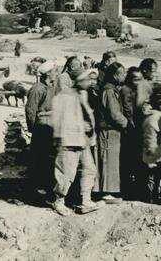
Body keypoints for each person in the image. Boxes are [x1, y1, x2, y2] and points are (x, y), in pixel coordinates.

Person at [50, 69, 103, 216]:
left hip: (82, 140)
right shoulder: (65, 96)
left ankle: (86, 200)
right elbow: (58, 118)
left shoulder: (84, 95)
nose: (91, 82)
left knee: (89, 169)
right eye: (89, 80)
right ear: (80, 81)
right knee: (66, 173)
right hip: (68, 140)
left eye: (93, 80)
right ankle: (58, 201)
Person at [95, 62, 128, 203]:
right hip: (108, 130)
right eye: (122, 73)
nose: (124, 76)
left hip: (111, 130)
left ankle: (107, 191)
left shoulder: (111, 89)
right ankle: (106, 193)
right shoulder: (109, 91)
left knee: (110, 160)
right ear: (115, 75)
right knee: (108, 160)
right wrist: (126, 123)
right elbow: (114, 113)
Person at [24, 61, 58, 199]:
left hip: (50, 126)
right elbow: (30, 110)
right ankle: (37, 187)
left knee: (48, 157)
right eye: (54, 71)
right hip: (41, 127)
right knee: (39, 157)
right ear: (48, 73)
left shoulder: (51, 87)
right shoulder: (38, 89)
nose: (56, 73)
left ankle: (45, 184)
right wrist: (34, 129)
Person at [119, 66, 144, 199]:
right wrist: (133, 127)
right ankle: (127, 190)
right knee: (128, 160)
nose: (139, 82)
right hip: (130, 130)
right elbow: (128, 111)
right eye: (136, 79)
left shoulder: (135, 90)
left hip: (136, 128)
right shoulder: (126, 90)